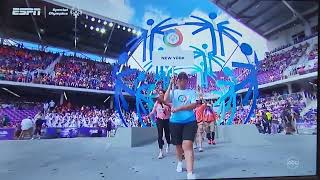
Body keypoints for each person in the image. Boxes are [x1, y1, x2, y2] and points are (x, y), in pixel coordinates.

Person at [164, 72, 198, 179]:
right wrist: (170, 84)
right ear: (177, 80)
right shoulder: (173, 91)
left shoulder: (191, 92)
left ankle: (190, 173)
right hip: (175, 122)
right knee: (178, 146)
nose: (183, 82)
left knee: (187, 145)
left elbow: (193, 105)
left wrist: (180, 108)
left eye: (185, 80)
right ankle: (179, 162)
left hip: (189, 121)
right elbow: (165, 100)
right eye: (181, 79)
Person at [148, 90, 171, 159]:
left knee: (167, 134)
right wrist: (148, 116)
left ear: (164, 94)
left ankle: (168, 144)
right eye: (159, 93)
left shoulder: (167, 102)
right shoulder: (157, 103)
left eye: (161, 93)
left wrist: (166, 110)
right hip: (159, 120)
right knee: (160, 135)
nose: (160, 94)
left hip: (166, 120)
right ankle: (161, 151)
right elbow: (153, 111)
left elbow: (170, 111)